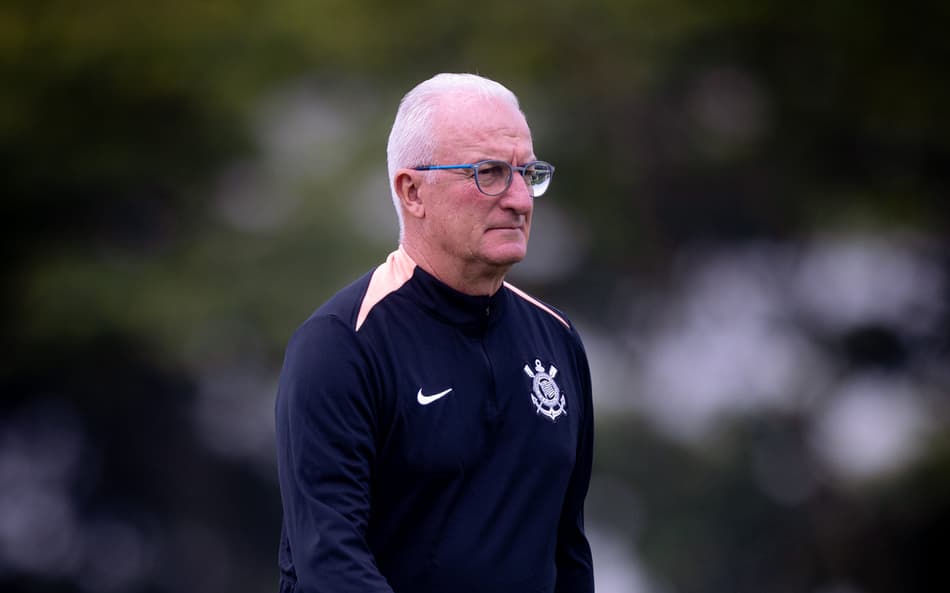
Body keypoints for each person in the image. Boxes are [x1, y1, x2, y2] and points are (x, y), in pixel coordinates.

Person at [274, 73, 595, 593]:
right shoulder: (341, 344)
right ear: (413, 191)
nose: (519, 199)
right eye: (489, 173)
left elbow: (568, 554)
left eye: (527, 173)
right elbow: (329, 562)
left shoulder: (557, 341)